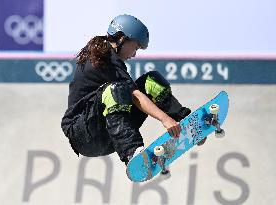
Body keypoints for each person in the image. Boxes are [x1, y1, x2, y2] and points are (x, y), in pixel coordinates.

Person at [61, 14, 206, 168]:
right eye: (135, 47)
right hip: (84, 133)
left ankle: (188, 124)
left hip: (107, 133)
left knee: (151, 81)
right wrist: (165, 119)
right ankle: (132, 153)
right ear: (122, 39)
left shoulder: (108, 56)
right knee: (114, 91)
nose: (135, 54)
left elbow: (135, 92)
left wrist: (181, 126)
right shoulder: (101, 58)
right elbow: (135, 96)